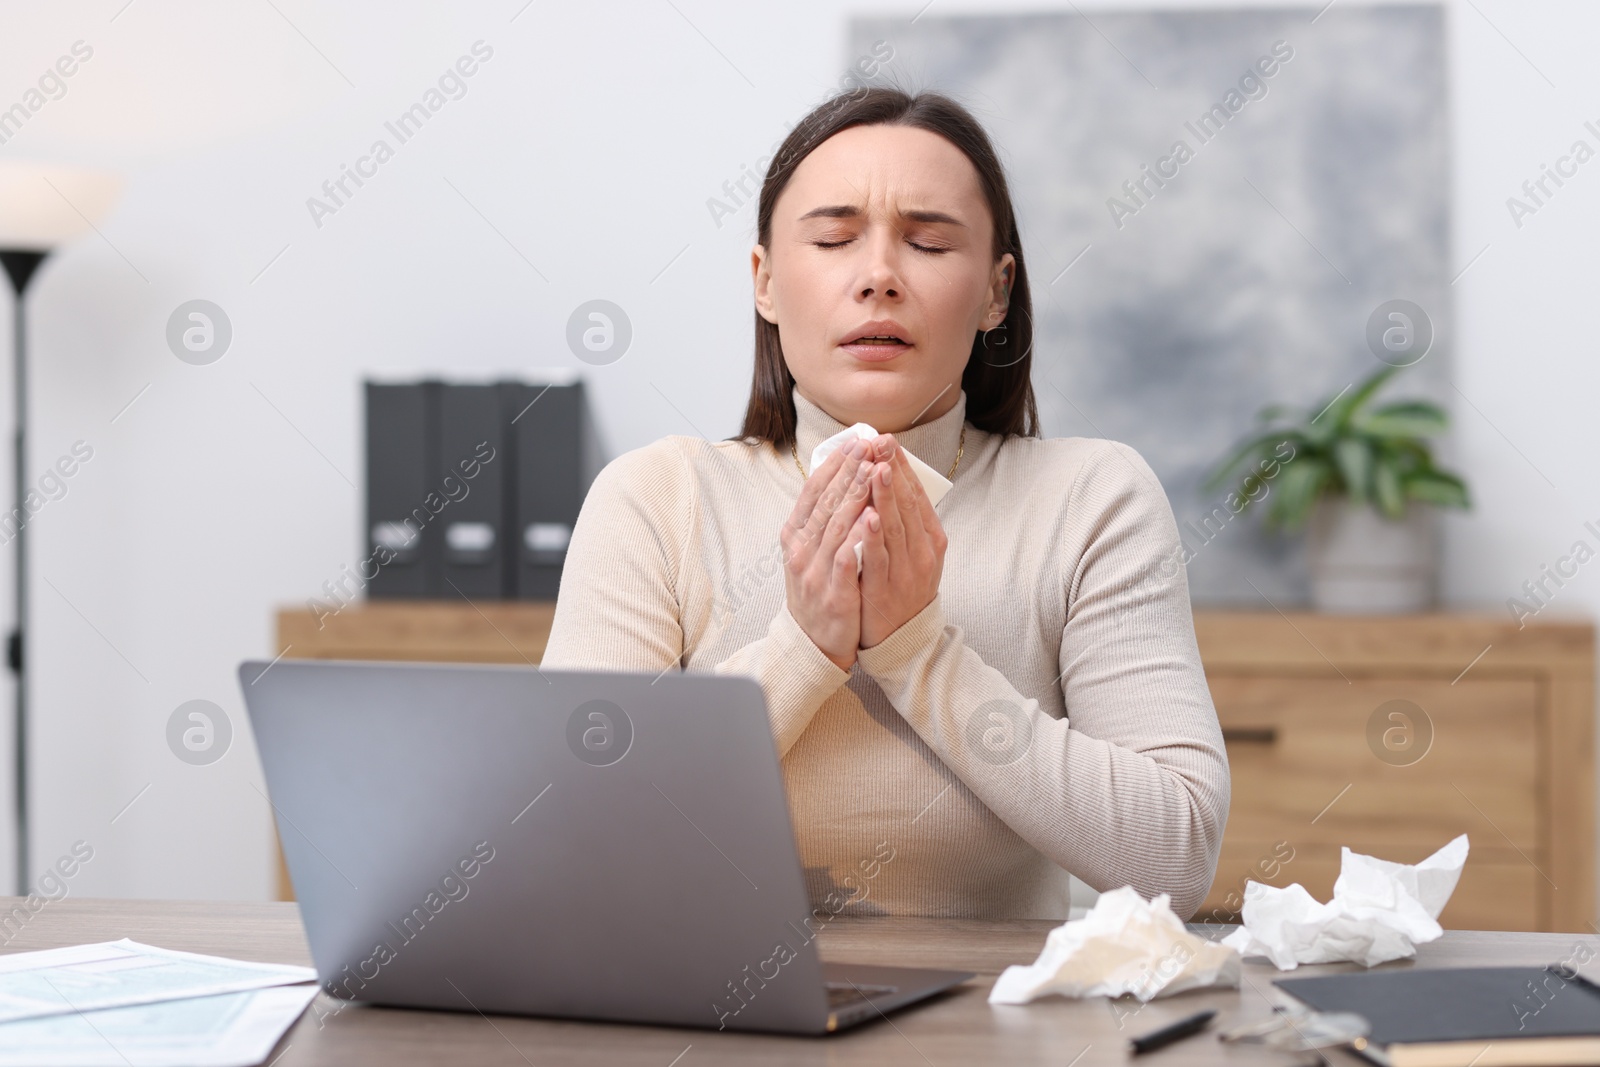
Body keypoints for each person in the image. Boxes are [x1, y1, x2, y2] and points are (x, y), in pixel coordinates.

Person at [540, 86, 1229, 920]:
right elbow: (577, 838)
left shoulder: (1093, 499)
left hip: (999, 1033)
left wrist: (919, 652)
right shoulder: (655, 498)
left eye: (929, 243)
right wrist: (802, 651)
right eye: (833, 239)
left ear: (995, 294)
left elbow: (1177, 857)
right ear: (764, 281)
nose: (878, 278)